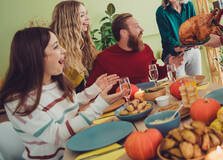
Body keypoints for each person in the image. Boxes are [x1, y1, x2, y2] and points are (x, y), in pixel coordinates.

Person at [0, 27, 129, 160]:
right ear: (36, 56)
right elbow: (56, 134)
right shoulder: (18, 101)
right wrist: (99, 105)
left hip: (76, 149)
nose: (64, 50)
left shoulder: (54, 80)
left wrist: (95, 89)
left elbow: (69, 103)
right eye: (56, 47)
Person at [86, 13, 184, 92]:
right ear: (123, 33)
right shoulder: (104, 58)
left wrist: (170, 66)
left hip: (147, 98)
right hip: (120, 107)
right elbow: (90, 89)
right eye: (136, 26)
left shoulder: (146, 49)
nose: (142, 29)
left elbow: (154, 73)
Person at [156, 0, 201, 77]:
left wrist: (198, 40)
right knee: (179, 87)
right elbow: (167, 39)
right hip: (173, 54)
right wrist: (178, 47)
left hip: (191, 51)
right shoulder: (161, 12)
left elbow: (194, 30)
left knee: (198, 82)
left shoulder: (189, 5)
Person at [50, 0, 97, 93]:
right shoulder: (55, 44)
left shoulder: (79, 39)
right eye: (82, 15)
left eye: (86, 14)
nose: (87, 18)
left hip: (77, 87)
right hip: (61, 91)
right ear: (69, 19)